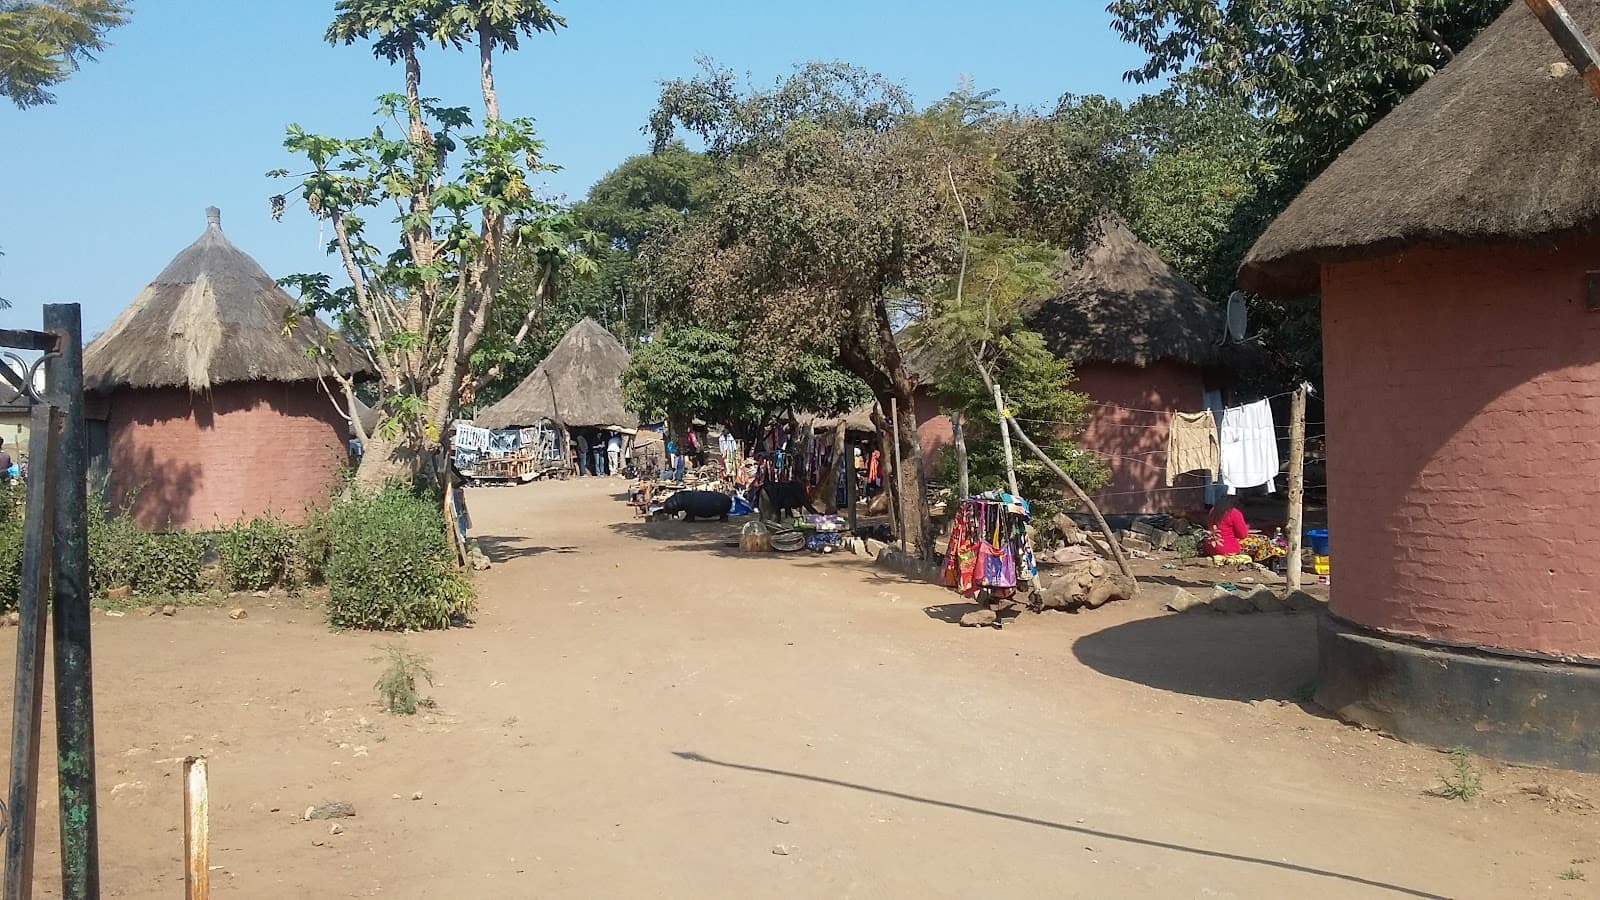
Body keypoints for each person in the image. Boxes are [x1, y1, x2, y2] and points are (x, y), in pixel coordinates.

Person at [1205, 497, 1251, 565]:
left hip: (1211, 547)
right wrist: (1246, 527)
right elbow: (1243, 535)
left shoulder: (1213, 510)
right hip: (1228, 548)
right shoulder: (1234, 512)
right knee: (1261, 541)